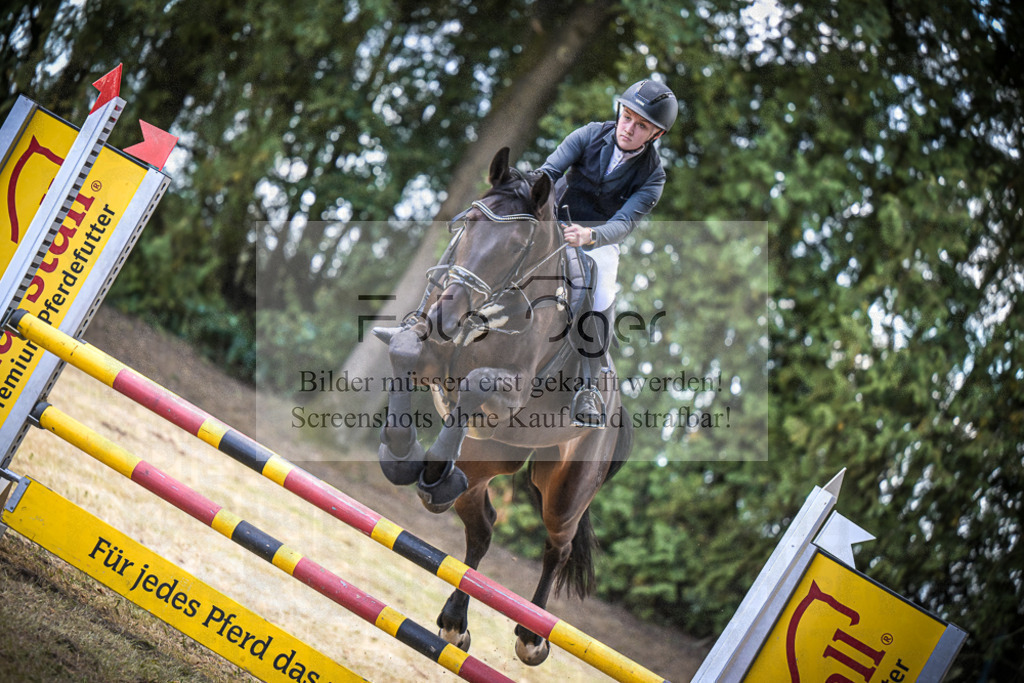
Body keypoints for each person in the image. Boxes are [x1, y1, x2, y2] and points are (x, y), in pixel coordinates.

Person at [537, 78, 678, 428]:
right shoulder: (589, 134)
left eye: (641, 125)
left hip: (598, 238)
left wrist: (591, 235)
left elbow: (625, 222)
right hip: (555, 219)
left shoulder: (653, 177)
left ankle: (588, 386)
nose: (628, 128)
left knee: (601, 293)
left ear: (655, 135)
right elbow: (549, 172)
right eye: (627, 117)